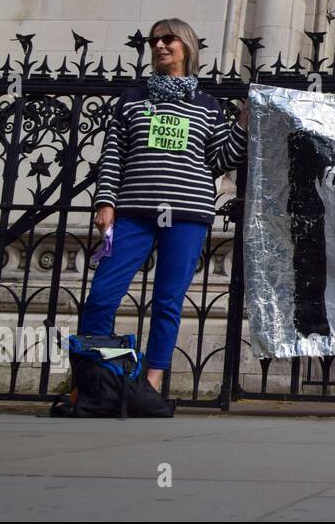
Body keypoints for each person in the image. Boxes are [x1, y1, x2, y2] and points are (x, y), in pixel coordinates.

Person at [82, 19, 248, 394]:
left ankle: (152, 383)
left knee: (168, 301)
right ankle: (96, 378)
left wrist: (243, 123)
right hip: (134, 212)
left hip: (187, 214)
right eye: (154, 40)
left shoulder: (207, 106)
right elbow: (113, 155)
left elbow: (221, 158)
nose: (159, 45)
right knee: (102, 295)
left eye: (168, 39)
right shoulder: (132, 99)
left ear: (186, 46)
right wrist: (105, 201)